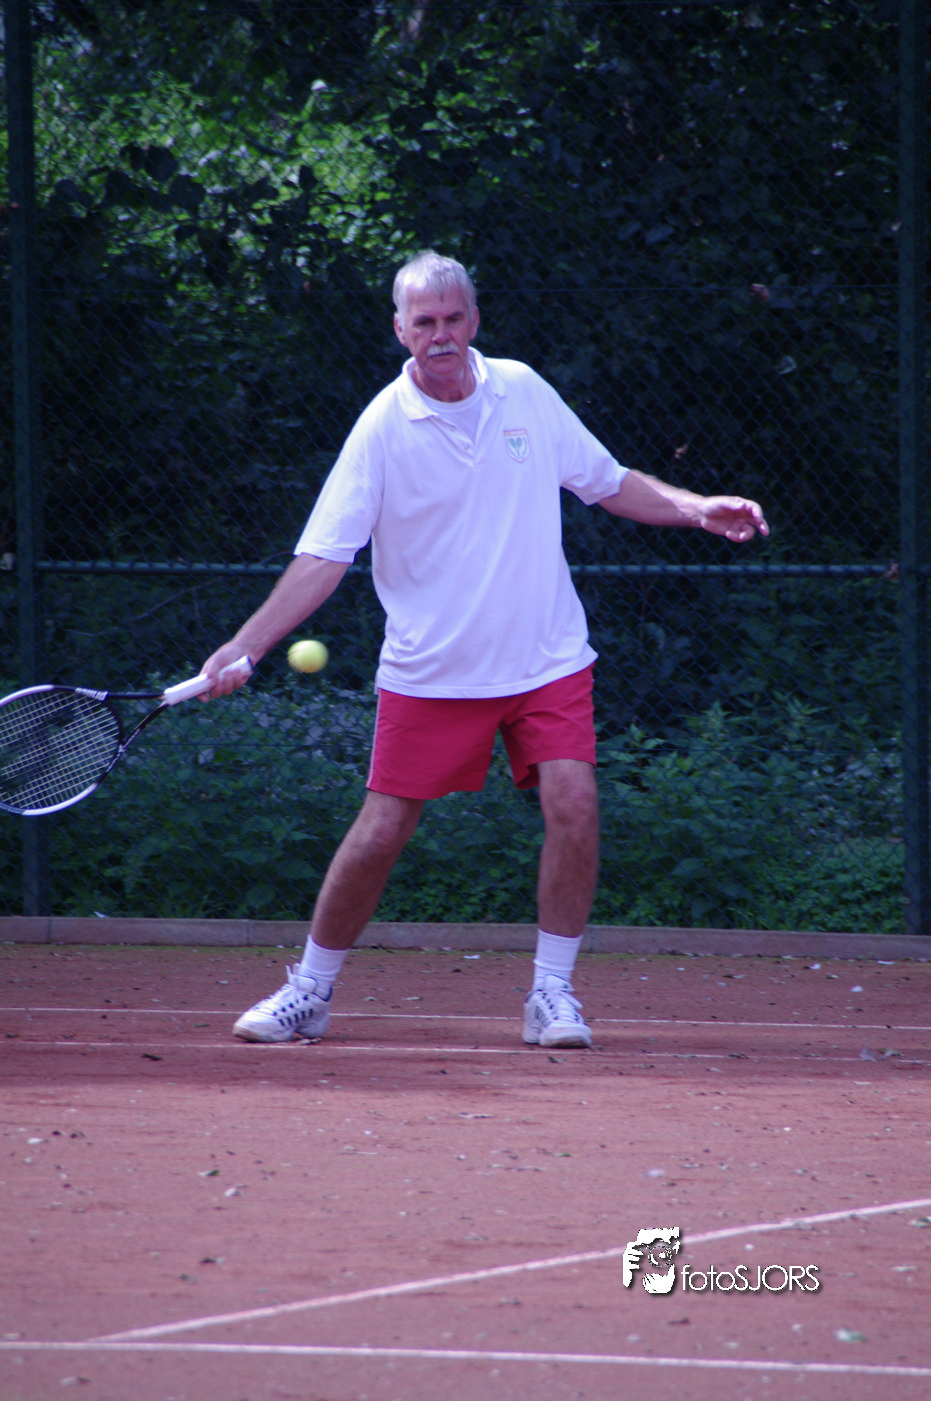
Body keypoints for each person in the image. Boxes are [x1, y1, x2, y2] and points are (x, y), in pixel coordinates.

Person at [201, 250, 769, 1050]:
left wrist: (694, 507)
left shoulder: (523, 391)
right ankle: (309, 991)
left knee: (574, 803)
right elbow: (324, 556)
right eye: (423, 322)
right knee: (381, 831)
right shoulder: (382, 427)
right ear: (399, 330)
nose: (440, 334)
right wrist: (246, 644)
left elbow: (606, 480)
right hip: (433, 669)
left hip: (545, 657)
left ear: (473, 319)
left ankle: (551, 993)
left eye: (452, 317)